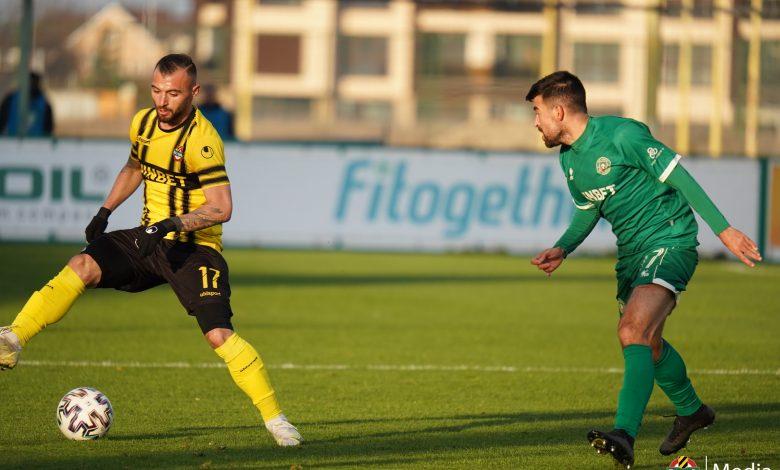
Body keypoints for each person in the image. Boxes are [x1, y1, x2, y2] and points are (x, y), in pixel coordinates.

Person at [0, 54, 302, 447]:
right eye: (157, 91)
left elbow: (221, 208)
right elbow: (134, 167)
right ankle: (13, 339)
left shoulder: (202, 141)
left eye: (173, 93)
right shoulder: (143, 123)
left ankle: (277, 420)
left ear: (193, 92)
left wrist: (168, 225)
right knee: (82, 265)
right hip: (147, 240)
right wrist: (105, 210)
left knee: (218, 334)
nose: (162, 101)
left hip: (193, 248)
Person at [526, 71, 761, 468]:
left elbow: (678, 175)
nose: (535, 122)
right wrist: (563, 247)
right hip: (632, 255)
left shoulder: (622, 135)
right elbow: (588, 209)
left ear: (559, 111)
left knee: (632, 330)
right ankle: (692, 411)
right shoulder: (568, 159)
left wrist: (724, 230)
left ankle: (624, 433)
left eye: (537, 111)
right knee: (647, 345)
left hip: (669, 239)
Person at [0, 72, 54, 137]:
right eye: (30, 83)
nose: (32, 86)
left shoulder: (44, 104)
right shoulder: (10, 100)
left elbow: (48, 130)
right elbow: (1, 123)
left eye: (34, 83)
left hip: (36, 142)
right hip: (13, 141)